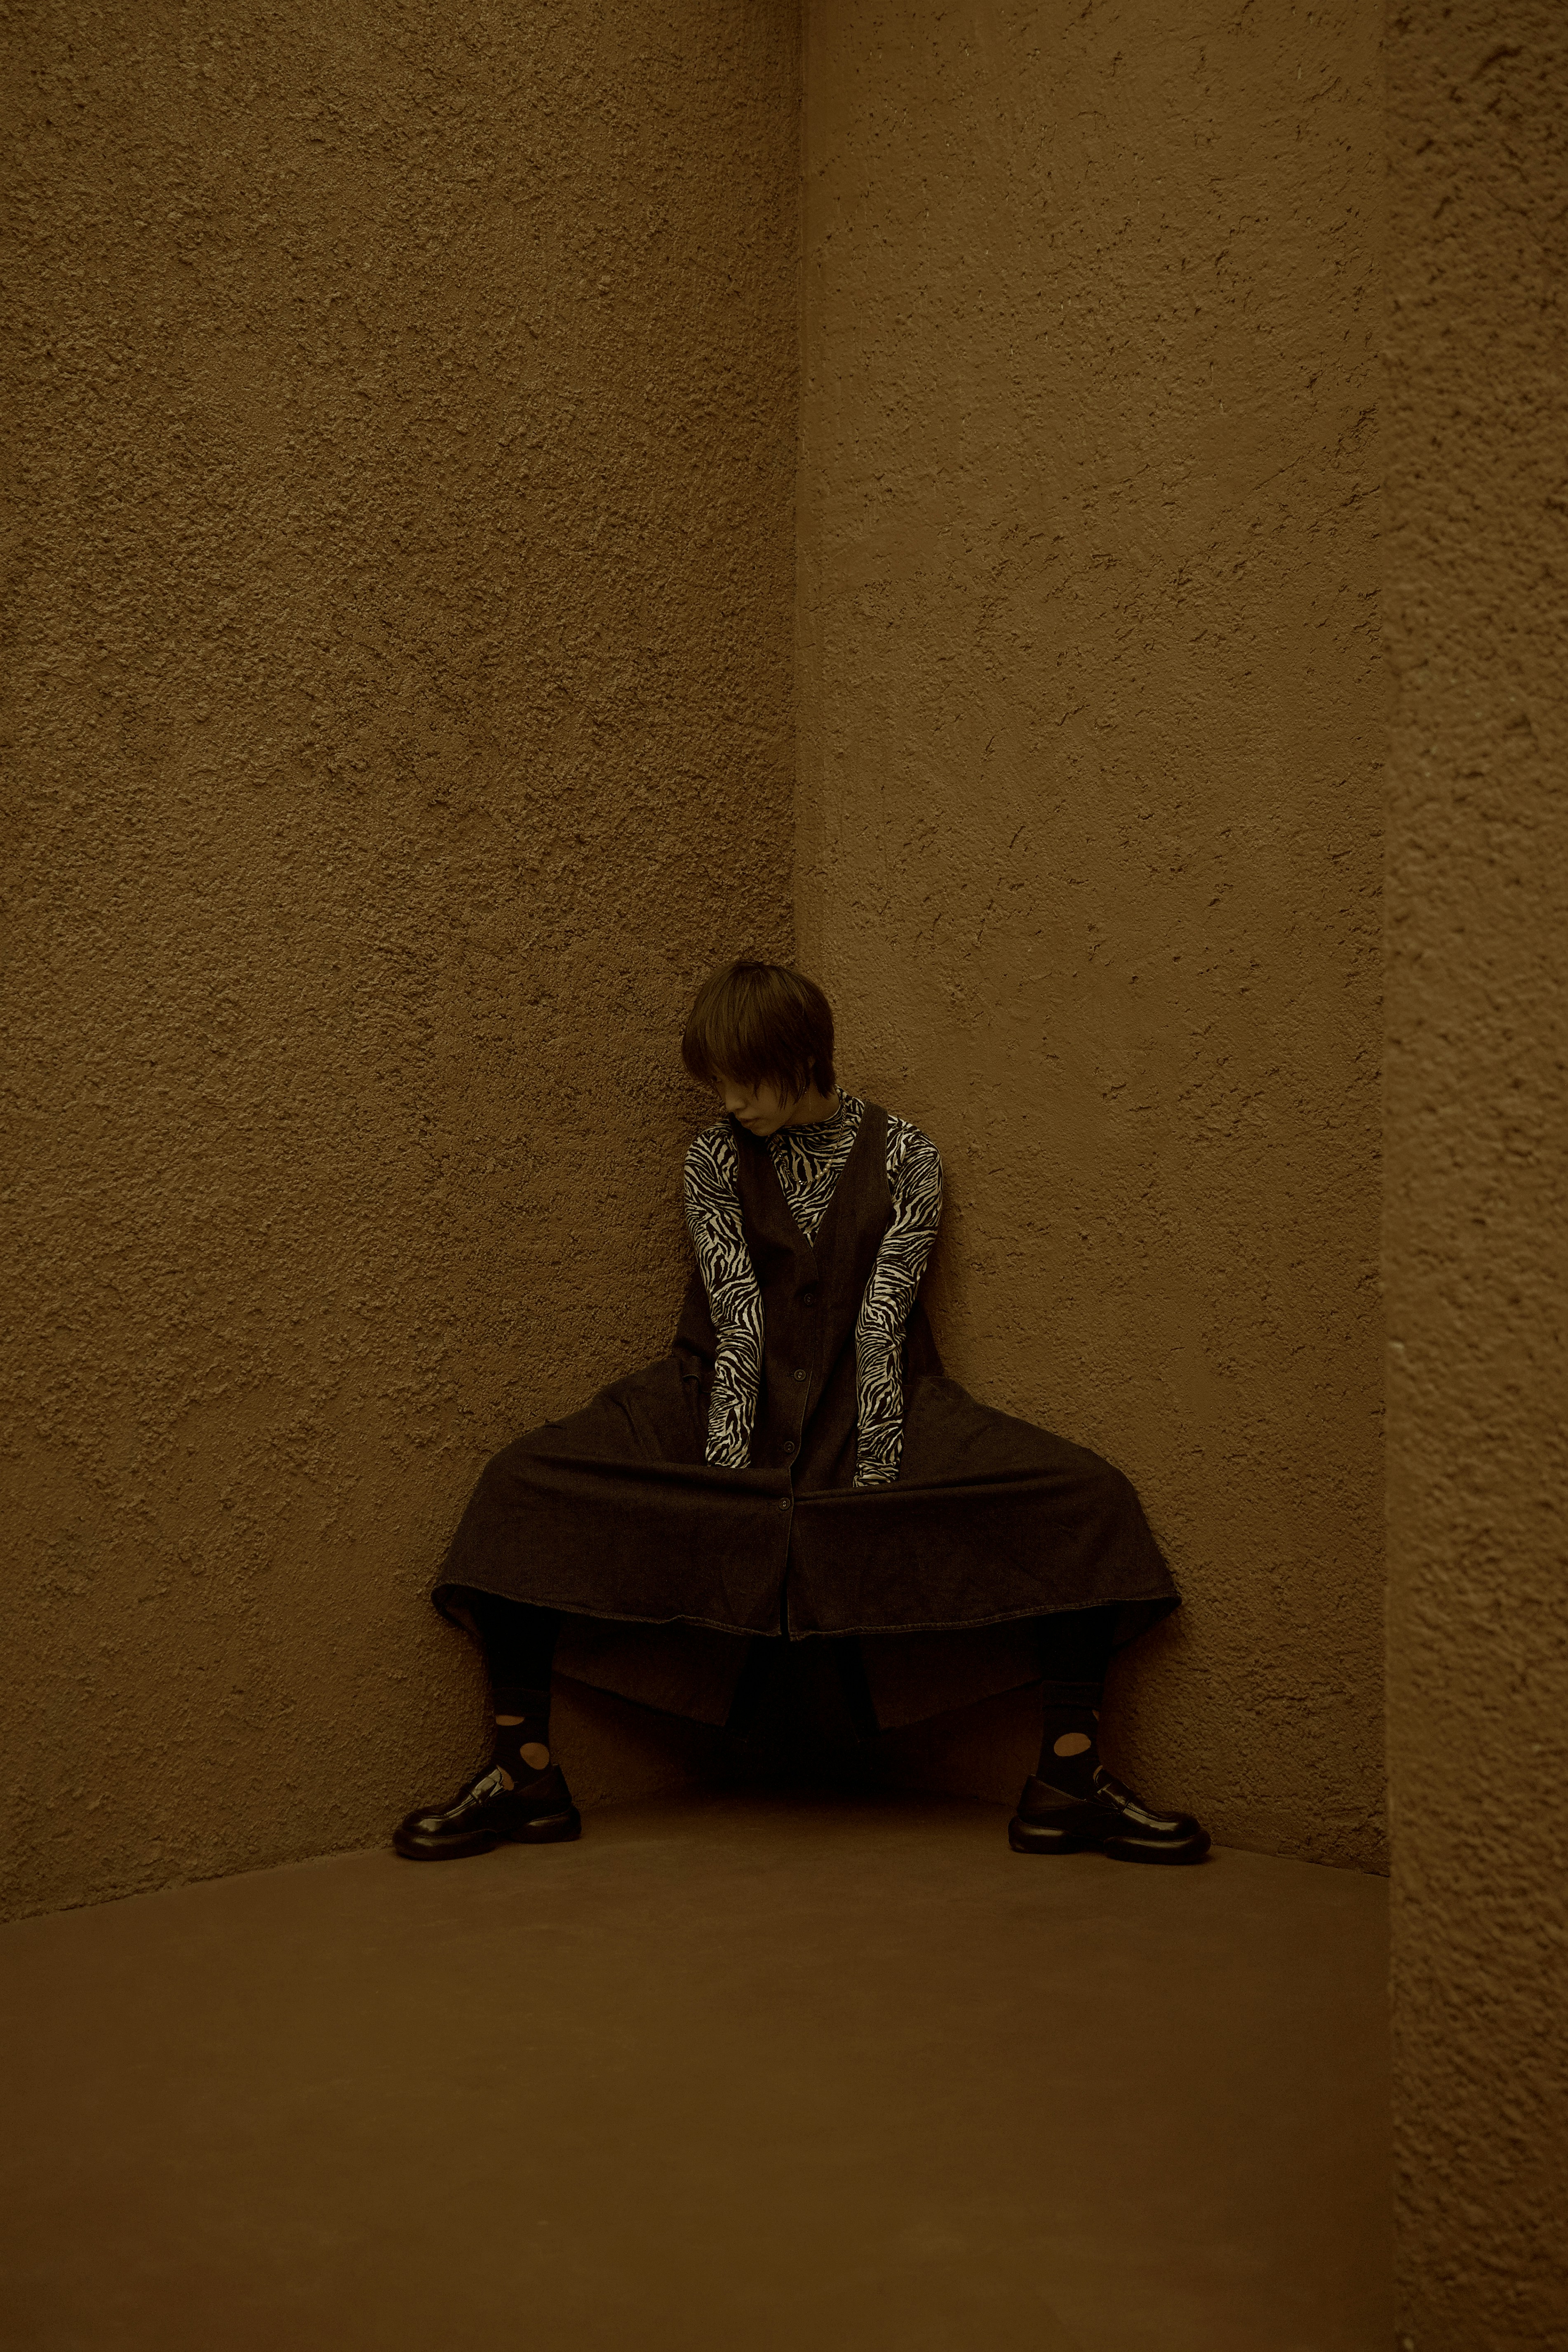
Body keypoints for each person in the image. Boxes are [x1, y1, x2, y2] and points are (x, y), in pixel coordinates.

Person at [394, 960, 1209, 1866]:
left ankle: (1068, 1779)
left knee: (1085, 1497)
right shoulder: (712, 1157)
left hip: (878, 1401)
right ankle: (524, 1772)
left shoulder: (908, 1156)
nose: (730, 1099)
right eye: (718, 1081)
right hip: (713, 1398)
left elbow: (882, 1322)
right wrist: (736, 1488)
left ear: (803, 1057)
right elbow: (737, 1315)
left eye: (746, 1078)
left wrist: (870, 1475)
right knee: (521, 1486)